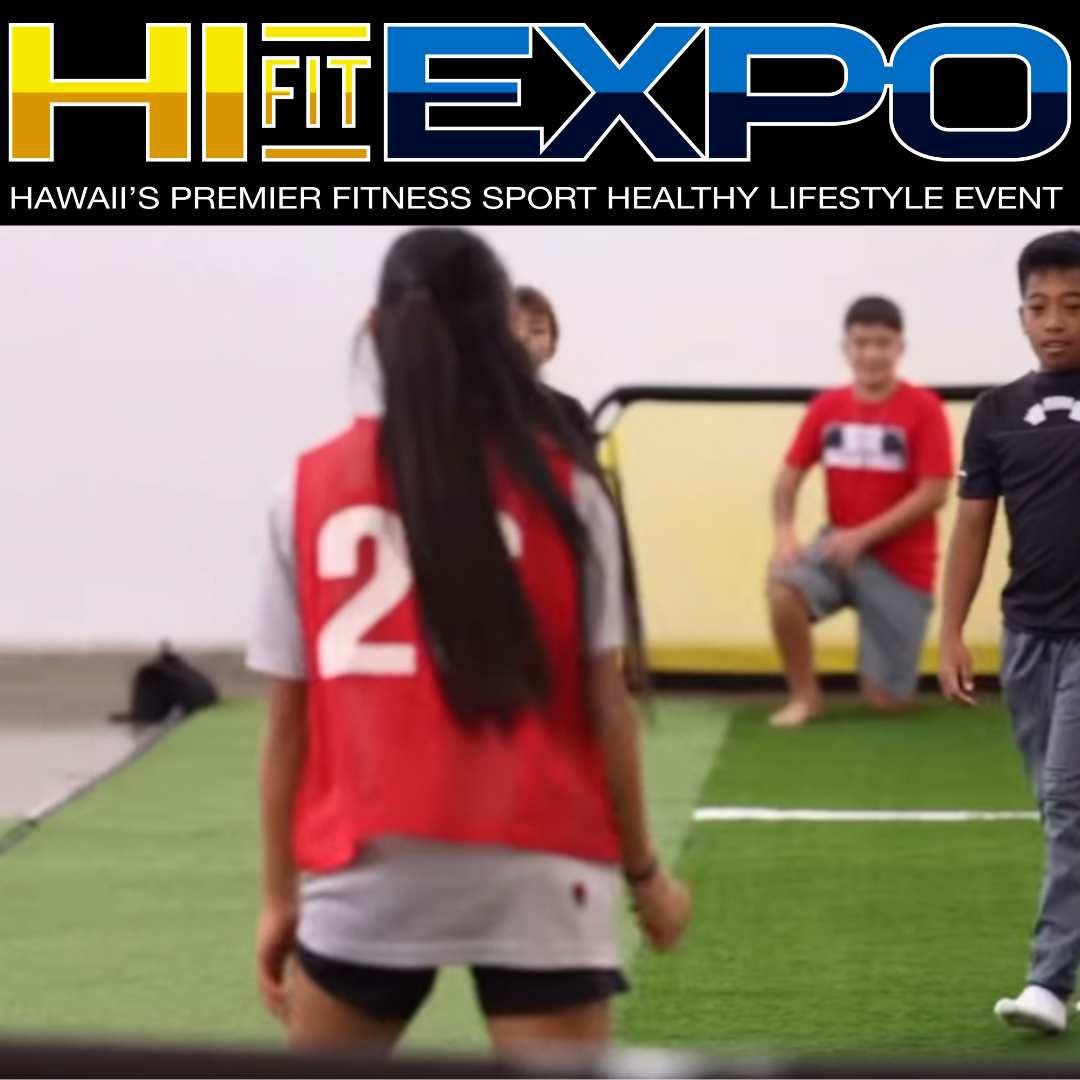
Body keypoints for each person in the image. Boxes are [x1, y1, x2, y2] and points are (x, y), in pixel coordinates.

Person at [246, 227, 691, 1056]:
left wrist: (279, 896)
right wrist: (645, 876)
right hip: (539, 864)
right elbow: (607, 710)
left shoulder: (302, 492)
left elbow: (288, 727)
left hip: (366, 869)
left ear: (376, 329)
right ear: (500, 330)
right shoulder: (569, 492)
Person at [939, 230, 1080, 1035]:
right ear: (1020, 315)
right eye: (1039, 306)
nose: (1054, 321)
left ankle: (1048, 982)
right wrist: (951, 629)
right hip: (1027, 637)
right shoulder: (995, 413)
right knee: (1059, 807)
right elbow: (972, 527)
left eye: (1074, 306)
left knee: (1067, 798)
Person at [767, 296, 953, 728]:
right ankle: (805, 698)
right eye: (861, 343)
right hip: (837, 548)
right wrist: (784, 532)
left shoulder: (924, 408)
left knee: (885, 702)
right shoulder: (826, 407)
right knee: (782, 586)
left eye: (882, 343)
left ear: (899, 348)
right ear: (846, 348)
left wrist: (863, 536)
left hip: (902, 566)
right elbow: (788, 476)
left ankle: (884, 677)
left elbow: (934, 492)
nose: (871, 354)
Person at [512, 284, 598, 448]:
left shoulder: (571, 413)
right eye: (514, 328)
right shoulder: (469, 408)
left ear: (551, 347)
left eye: (537, 330)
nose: (523, 337)